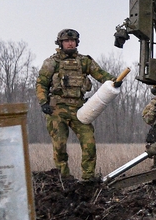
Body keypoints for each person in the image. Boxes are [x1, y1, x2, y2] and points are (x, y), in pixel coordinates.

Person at [36, 29, 118, 181]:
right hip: (57, 109)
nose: (70, 43)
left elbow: (100, 74)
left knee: (89, 143)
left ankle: (88, 178)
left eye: (73, 40)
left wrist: (115, 80)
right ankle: (64, 179)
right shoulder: (52, 62)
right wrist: (43, 102)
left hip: (79, 109)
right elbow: (41, 83)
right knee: (59, 146)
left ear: (77, 42)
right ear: (60, 43)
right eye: (66, 40)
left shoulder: (84, 61)